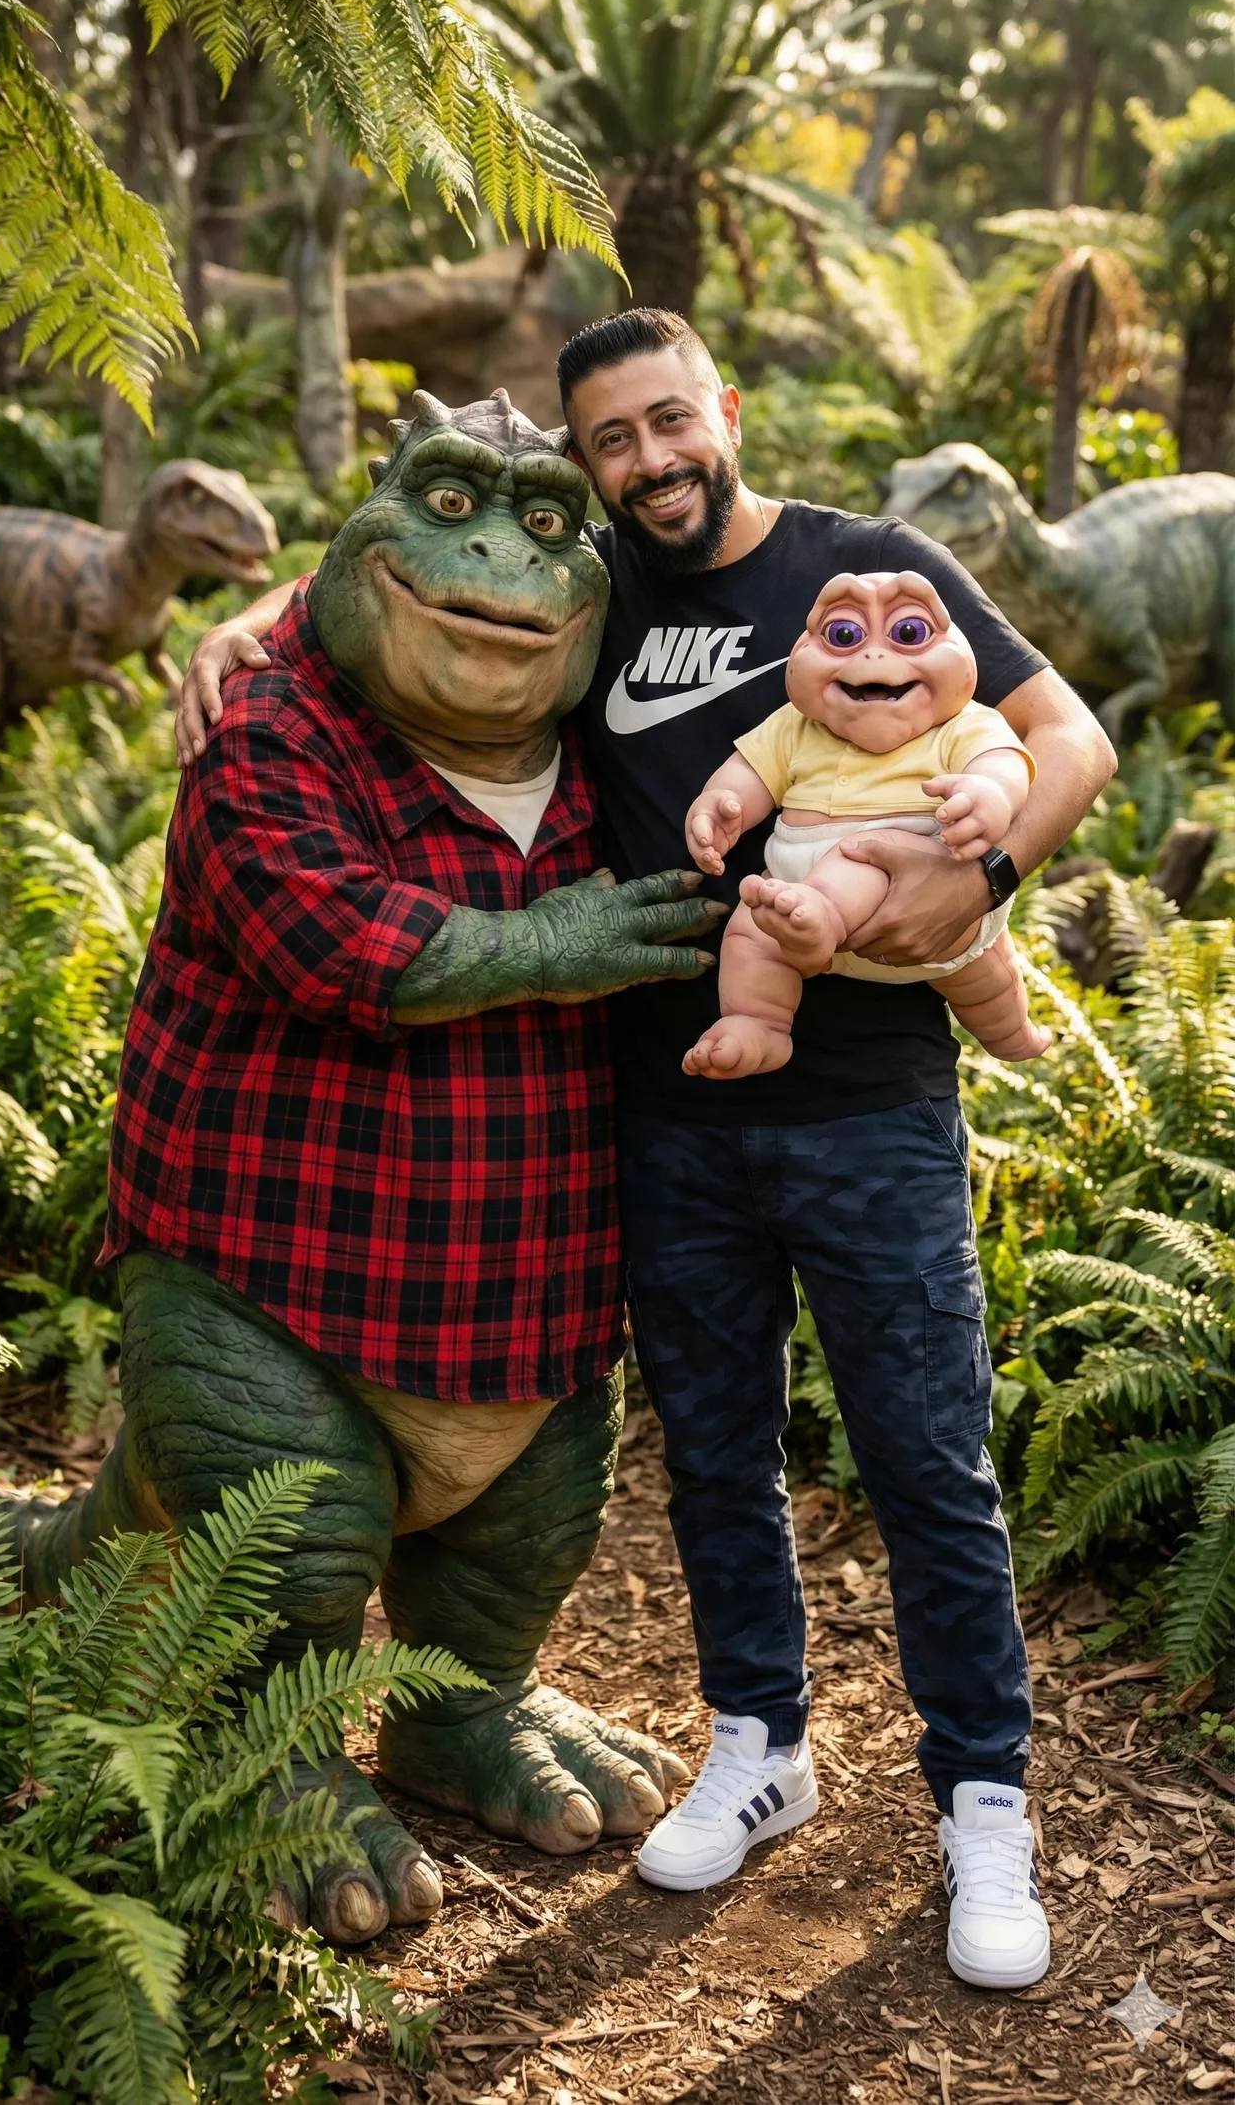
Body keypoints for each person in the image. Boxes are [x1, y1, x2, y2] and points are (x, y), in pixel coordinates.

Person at [175, 310, 1115, 1991]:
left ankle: (983, 1801)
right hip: (630, 1146)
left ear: (724, 413)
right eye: (612, 443)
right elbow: (399, 609)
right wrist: (257, 615)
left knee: (922, 1464)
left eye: (670, 423)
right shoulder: (553, 602)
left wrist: (986, 876)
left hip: (864, 1113)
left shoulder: (857, 568)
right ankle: (739, 1742)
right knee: (705, 1462)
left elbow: (1074, 740)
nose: (649, 462)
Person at [683, 568, 1050, 1074]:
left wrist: (988, 794)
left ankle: (1012, 1033)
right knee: (749, 932)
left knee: (873, 866)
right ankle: (758, 1023)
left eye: (908, 633)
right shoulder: (796, 726)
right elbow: (748, 773)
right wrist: (719, 806)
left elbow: (1004, 763)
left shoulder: (962, 723)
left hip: (922, 892)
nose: (874, 657)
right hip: (794, 900)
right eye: (844, 635)